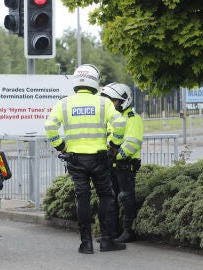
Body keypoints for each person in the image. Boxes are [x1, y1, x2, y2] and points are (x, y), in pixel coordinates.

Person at [44, 64, 126, 254]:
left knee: (82, 198)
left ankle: (86, 243)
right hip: (100, 159)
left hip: (75, 160)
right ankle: (106, 240)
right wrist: (113, 146)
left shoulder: (64, 103)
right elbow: (120, 123)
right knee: (106, 196)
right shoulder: (103, 103)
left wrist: (61, 146)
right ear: (95, 82)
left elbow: (50, 127)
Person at [100, 82, 143, 243]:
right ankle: (111, 233)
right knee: (110, 198)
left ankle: (129, 232)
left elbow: (131, 144)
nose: (111, 104)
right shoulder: (113, 119)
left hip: (126, 165)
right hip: (112, 165)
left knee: (126, 198)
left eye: (113, 101)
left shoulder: (133, 118)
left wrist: (114, 156)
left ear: (123, 100)